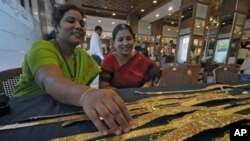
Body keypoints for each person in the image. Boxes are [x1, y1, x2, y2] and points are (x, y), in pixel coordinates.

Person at [14, 4, 131, 135]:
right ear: (57, 26)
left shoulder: (82, 56)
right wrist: (87, 95)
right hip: (25, 117)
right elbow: (51, 81)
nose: (78, 26)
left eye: (81, 23)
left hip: (63, 114)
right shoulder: (41, 47)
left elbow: (88, 87)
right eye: (71, 21)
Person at [99, 24, 161, 89]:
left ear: (134, 40)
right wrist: (125, 95)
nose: (125, 43)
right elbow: (103, 87)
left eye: (128, 39)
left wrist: (148, 84)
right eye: (120, 39)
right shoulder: (109, 60)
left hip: (139, 97)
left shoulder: (141, 58)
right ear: (114, 43)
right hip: (115, 98)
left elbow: (157, 74)